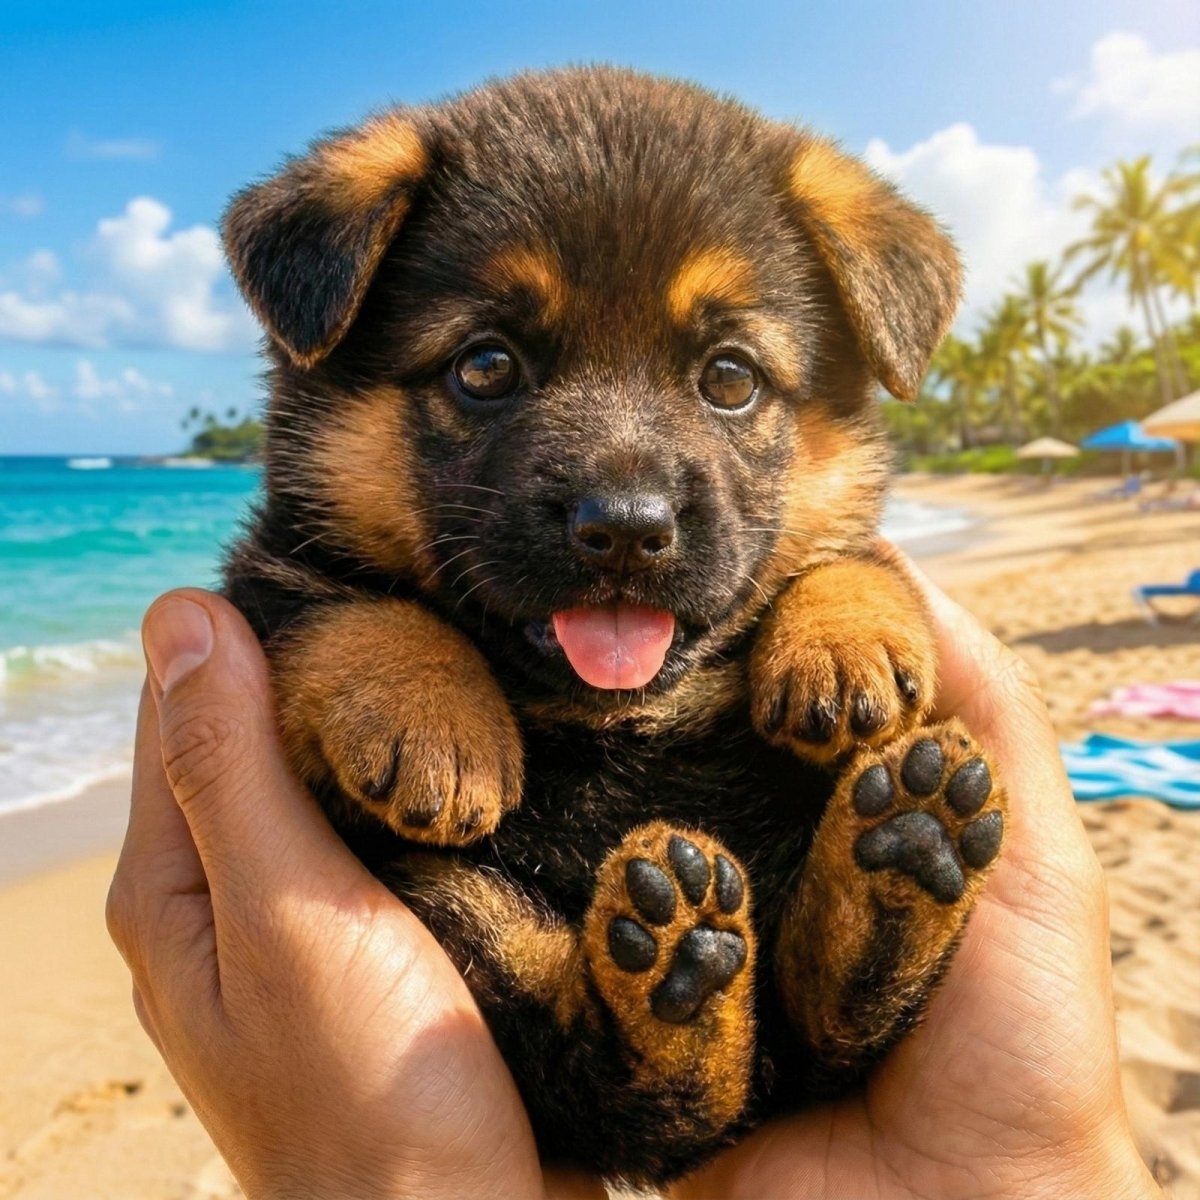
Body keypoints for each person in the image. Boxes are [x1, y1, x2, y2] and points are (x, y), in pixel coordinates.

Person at [106, 549, 1161, 1200]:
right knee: (460, 914)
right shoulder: (356, 579)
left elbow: (851, 574)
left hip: (786, 961)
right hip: (534, 1013)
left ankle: (843, 944)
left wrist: (844, 603)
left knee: (833, 777)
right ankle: (668, 1045)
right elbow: (299, 612)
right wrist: (379, 661)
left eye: (729, 379)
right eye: (490, 368)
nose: (629, 487)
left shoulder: (782, 557)